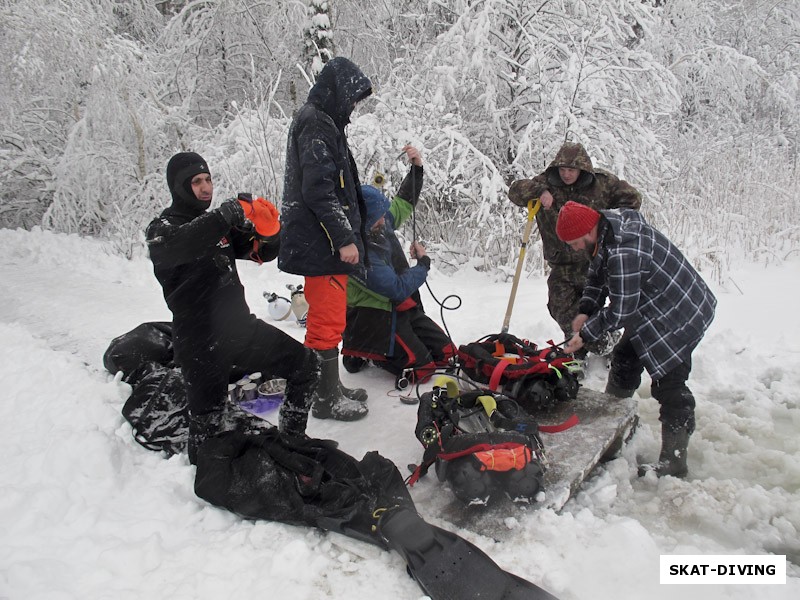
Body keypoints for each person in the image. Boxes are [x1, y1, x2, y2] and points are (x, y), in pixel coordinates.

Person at [145, 151, 321, 464]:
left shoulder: (217, 228)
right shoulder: (162, 231)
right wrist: (226, 213)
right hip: (200, 345)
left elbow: (260, 252)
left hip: (241, 330)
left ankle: (293, 438)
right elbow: (185, 244)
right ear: (178, 187)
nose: (205, 187)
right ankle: (206, 482)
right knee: (207, 437)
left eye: (208, 179)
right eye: (196, 181)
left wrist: (270, 233)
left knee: (307, 366)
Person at [557, 201, 716, 477]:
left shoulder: (623, 251)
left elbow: (620, 311)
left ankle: (674, 463)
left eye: (573, 243)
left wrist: (585, 335)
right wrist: (585, 310)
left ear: (587, 232)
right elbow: (596, 275)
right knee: (625, 359)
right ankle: (612, 422)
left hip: (678, 312)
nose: (573, 248)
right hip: (650, 306)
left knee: (670, 386)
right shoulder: (605, 232)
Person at [279, 57, 373, 421]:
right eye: (351, 98)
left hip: (320, 242)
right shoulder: (316, 122)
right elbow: (319, 190)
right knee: (326, 319)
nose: (352, 106)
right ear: (337, 92)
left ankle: (329, 386)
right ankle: (323, 399)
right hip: (322, 244)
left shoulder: (321, 120)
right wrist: (344, 238)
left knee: (328, 317)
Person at [508, 142, 642, 356]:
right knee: (560, 307)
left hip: (594, 262)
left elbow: (633, 199)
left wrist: (611, 224)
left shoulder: (601, 184)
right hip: (561, 264)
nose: (566, 175)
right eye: (562, 170)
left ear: (582, 169)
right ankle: (596, 344)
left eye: (571, 170)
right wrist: (540, 191)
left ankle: (591, 348)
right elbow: (515, 191)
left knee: (591, 309)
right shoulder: (546, 183)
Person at [341, 146, 457, 385]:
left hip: (401, 308)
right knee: (422, 370)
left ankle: (370, 351)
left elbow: (402, 203)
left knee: (449, 355)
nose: (386, 219)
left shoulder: (377, 224)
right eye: (379, 217)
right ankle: (367, 352)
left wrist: (416, 169)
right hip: (375, 317)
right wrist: (423, 264)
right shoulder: (357, 252)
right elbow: (394, 287)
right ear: (364, 219)